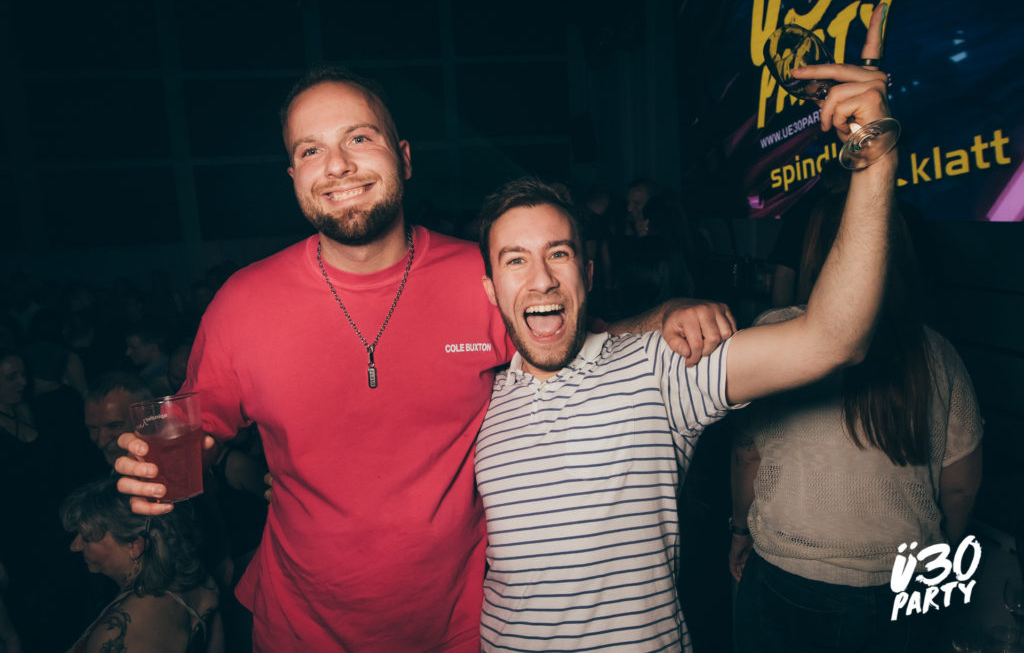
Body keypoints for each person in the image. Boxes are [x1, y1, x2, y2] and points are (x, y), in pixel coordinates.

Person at [112, 66, 734, 650]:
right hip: (302, 629)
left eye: (360, 138)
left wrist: (668, 313)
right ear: (293, 175)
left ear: (404, 158)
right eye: (311, 149)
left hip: (458, 628)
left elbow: (586, 338)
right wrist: (166, 468)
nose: (338, 165)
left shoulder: (482, 278)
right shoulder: (243, 304)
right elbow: (201, 429)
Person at [471, 17, 895, 650]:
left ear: (589, 273)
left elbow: (832, 339)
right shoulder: (474, 397)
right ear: (490, 290)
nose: (542, 280)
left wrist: (874, 158)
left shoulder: (658, 369)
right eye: (515, 260)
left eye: (559, 254)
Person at [728, 189, 982, 653]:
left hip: (788, 576)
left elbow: (748, 456)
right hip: (903, 585)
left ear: (815, 254)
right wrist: (941, 551)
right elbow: (961, 487)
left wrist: (740, 531)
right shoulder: (938, 352)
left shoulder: (773, 332)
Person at [60, 477, 224, 653]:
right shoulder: (203, 587)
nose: (74, 546)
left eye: (86, 538)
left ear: (134, 546)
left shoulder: (116, 634)